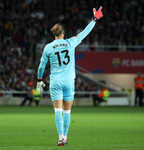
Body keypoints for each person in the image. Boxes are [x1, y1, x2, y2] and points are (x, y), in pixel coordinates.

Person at [36, 7, 103, 146]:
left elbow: (42, 66)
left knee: (57, 110)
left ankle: (61, 137)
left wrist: (39, 80)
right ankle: (65, 137)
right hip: (69, 81)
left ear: (54, 33)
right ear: (63, 33)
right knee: (67, 111)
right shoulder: (70, 42)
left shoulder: (48, 47)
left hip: (55, 82)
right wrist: (95, 19)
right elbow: (85, 32)